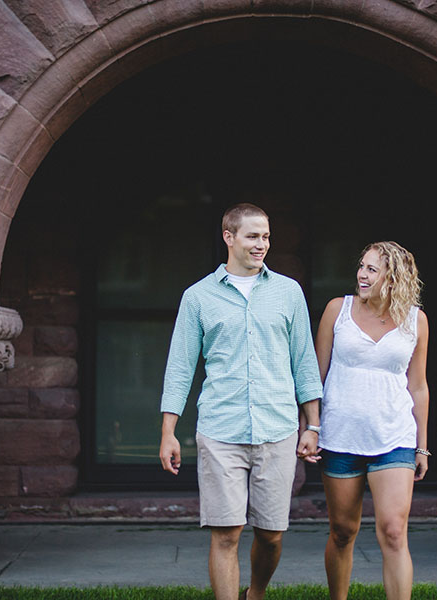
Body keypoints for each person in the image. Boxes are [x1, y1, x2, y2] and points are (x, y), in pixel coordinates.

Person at [159, 203, 323, 600]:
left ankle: (257, 593)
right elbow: (180, 367)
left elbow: (304, 360)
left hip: (278, 429)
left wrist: (313, 425)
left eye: (266, 236)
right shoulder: (198, 297)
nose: (262, 244)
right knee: (226, 533)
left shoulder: (288, 292)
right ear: (228, 237)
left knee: (271, 535)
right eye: (253, 236)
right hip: (220, 430)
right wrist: (169, 432)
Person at [315, 241, 430, 600]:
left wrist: (422, 447)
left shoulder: (416, 320)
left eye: (372, 269)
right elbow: (315, 376)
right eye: (361, 267)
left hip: (394, 436)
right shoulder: (338, 310)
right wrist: (311, 426)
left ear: (393, 278)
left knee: (394, 531)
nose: (362, 275)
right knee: (343, 531)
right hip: (340, 435)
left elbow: (419, 386)